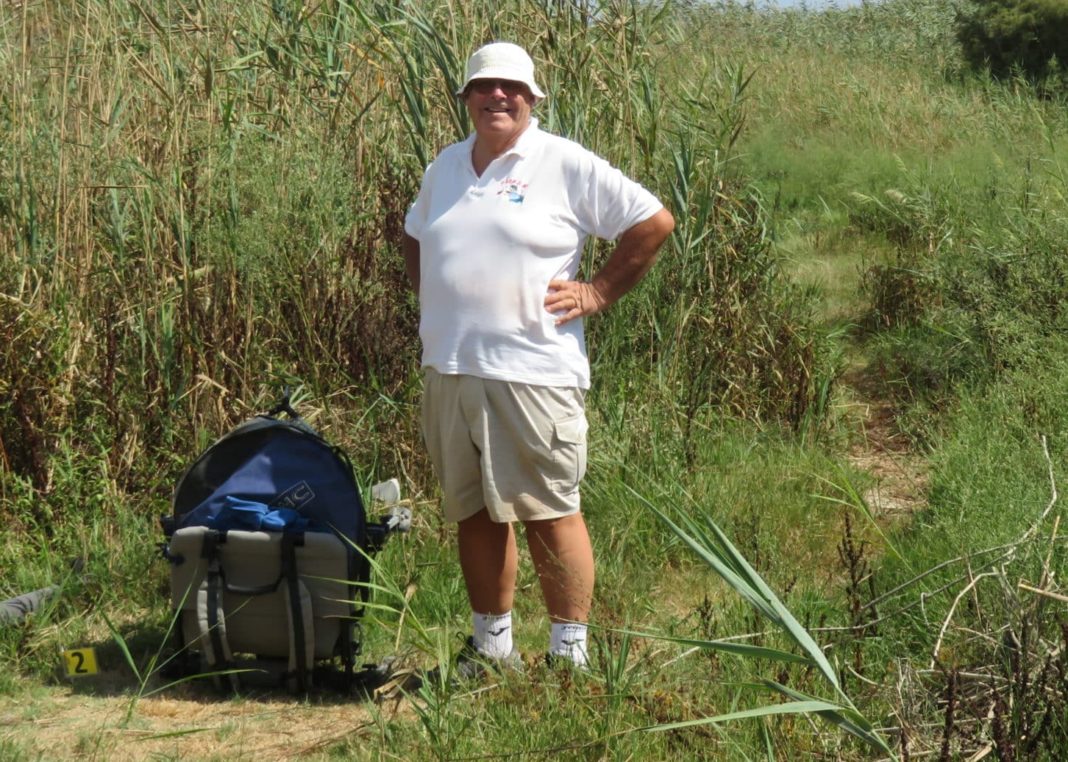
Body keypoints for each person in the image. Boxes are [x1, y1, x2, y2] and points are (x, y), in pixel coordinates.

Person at [402, 41, 674, 673]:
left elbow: (652, 222)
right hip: (450, 369)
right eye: (485, 86)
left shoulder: (561, 162)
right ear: (467, 96)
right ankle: (492, 650)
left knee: (549, 513)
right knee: (473, 512)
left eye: (513, 89)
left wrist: (598, 290)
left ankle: (567, 658)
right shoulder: (444, 166)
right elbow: (415, 235)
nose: (499, 96)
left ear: (531, 98)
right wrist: (432, 299)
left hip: (533, 372)